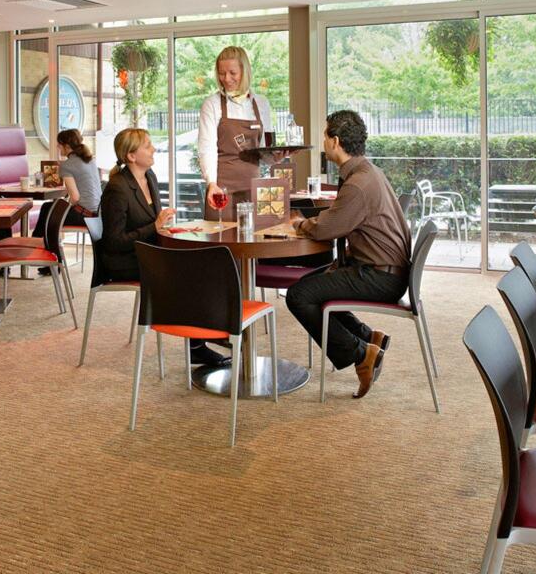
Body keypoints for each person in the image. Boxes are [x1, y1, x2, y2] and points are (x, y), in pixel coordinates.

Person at [286, 111, 411, 399]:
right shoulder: (367, 172)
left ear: (335, 141)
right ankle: (369, 337)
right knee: (315, 285)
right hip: (386, 270)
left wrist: (299, 223)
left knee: (298, 296)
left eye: (325, 136)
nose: (323, 142)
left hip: (380, 276)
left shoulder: (357, 183)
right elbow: (339, 219)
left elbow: (326, 229)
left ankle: (362, 354)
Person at [101, 128, 229, 366]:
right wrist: (155, 226)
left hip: (149, 252)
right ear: (131, 156)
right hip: (123, 261)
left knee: (205, 264)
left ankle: (209, 332)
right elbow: (114, 241)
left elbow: (153, 224)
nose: (153, 149)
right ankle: (197, 345)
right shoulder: (117, 188)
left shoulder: (149, 176)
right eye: (147, 146)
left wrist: (165, 228)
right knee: (189, 272)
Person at [197, 46, 272, 221]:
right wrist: (211, 183)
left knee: (252, 237)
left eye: (232, 73)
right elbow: (206, 148)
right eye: (221, 73)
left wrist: (276, 157)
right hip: (221, 189)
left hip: (253, 188)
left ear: (245, 72)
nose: (226, 79)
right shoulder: (212, 104)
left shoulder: (261, 103)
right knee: (219, 236)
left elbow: (265, 150)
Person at [33, 128, 101, 234]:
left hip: (84, 216)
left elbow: (75, 197)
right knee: (49, 208)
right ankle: (41, 240)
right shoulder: (90, 160)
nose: (57, 147)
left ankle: (37, 240)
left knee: (47, 209)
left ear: (67, 146)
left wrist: (66, 206)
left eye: (59, 144)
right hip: (98, 214)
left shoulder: (67, 165)